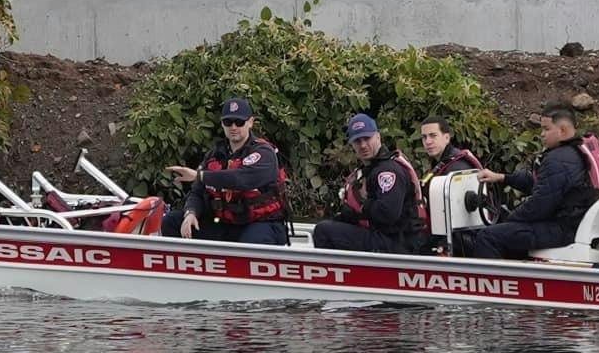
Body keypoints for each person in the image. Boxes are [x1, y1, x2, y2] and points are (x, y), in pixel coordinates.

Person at [467, 107, 599, 260]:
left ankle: (494, 283)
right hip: (574, 223)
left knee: (487, 237)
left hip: (562, 229)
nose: (542, 134)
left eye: (546, 129)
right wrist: (502, 177)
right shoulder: (576, 152)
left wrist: (510, 218)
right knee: (506, 230)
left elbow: (539, 206)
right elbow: (542, 184)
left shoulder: (558, 160)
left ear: (562, 130)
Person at [162, 96, 289, 245]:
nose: (233, 127)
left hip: (261, 223)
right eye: (228, 122)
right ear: (222, 124)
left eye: (239, 122)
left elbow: (242, 179)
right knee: (172, 221)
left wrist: (199, 175)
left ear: (250, 122)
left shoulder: (264, 152)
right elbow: (197, 192)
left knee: (252, 241)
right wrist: (191, 212)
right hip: (223, 223)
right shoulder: (215, 154)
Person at [312, 113, 427, 254]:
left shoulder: (387, 171)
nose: (363, 145)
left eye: (367, 139)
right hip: (387, 237)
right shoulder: (371, 168)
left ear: (378, 136)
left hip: (397, 243)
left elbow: (388, 214)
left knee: (323, 231)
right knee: (336, 223)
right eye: (357, 141)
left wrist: (362, 204)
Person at [417, 116, 482, 250]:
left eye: (433, 136)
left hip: (460, 242)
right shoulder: (441, 163)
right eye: (424, 137)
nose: (428, 141)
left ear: (447, 137)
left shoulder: (456, 168)